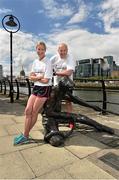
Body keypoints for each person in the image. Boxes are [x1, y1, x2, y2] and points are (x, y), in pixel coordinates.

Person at [14, 41, 53, 145]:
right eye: (38, 49)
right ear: (36, 49)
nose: (40, 51)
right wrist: (39, 77)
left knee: (34, 112)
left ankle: (25, 135)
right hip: (36, 88)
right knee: (27, 110)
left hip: (44, 89)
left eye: (42, 49)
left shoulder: (48, 62)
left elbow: (46, 80)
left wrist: (36, 78)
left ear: (45, 50)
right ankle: (25, 134)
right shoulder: (35, 61)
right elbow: (30, 77)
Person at [50, 43, 76, 112]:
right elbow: (46, 67)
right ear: (58, 51)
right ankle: (56, 118)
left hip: (67, 84)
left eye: (64, 50)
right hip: (57, 84)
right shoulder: (54, 58)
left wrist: (56, 73)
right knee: (55, 101)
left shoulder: (70, 58)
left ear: (67, 50)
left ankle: (70, 121)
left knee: (68, 101)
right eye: (61, 50)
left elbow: (69, 72)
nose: (63, 52)